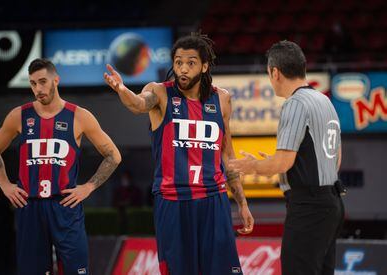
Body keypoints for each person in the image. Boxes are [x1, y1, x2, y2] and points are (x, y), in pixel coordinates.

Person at [104, 32, 254, 275]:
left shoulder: (223, 99)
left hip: (213, 200)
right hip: (173, 201)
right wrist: (122, 89)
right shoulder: (160, 93)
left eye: (191, 63)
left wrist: (242, 203)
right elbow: (138, 104)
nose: (183, 69)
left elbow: (227, 154)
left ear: (204, 66)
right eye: (178, 62)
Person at [0, 58, 121, 275]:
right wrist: (5, 185)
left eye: (42, 82)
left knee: (78, 271)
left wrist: (88, 187)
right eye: (32, 83)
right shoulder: (19, 116)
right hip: (30, 207)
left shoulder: (79, 116)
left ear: (56, 80)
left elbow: (113, 155)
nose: (38, 89)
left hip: (65, 206)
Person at [229, 40, 345, 275]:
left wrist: (253, 166)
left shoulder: (295, 103)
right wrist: (275, 162)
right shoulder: (325, 100)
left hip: (309, 207)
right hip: (332, 203)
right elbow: (336, 158)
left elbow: (283, 162)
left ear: (275, 72)